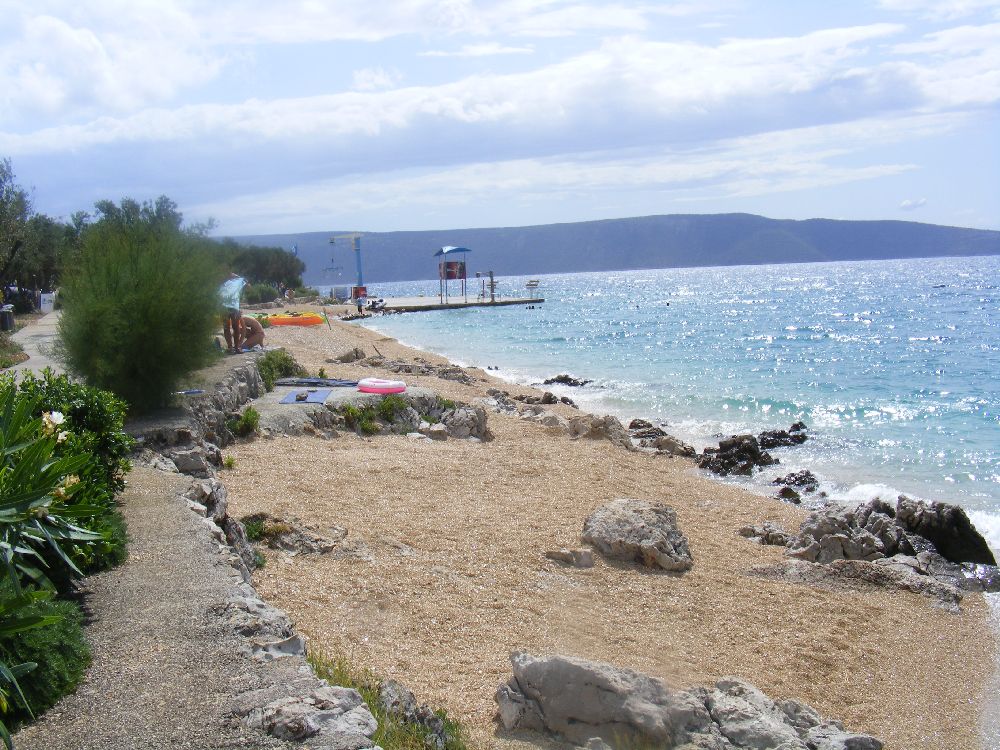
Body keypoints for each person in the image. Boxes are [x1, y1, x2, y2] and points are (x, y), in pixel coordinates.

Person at [218, 272, 246, 353]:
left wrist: (239, 277)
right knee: (226, 327)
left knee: (236, 327)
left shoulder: (238, 281)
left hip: (234, 307)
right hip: (223, 306)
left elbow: (248, 286)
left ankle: (237, 347)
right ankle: (230, 347)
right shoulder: (222, 281)